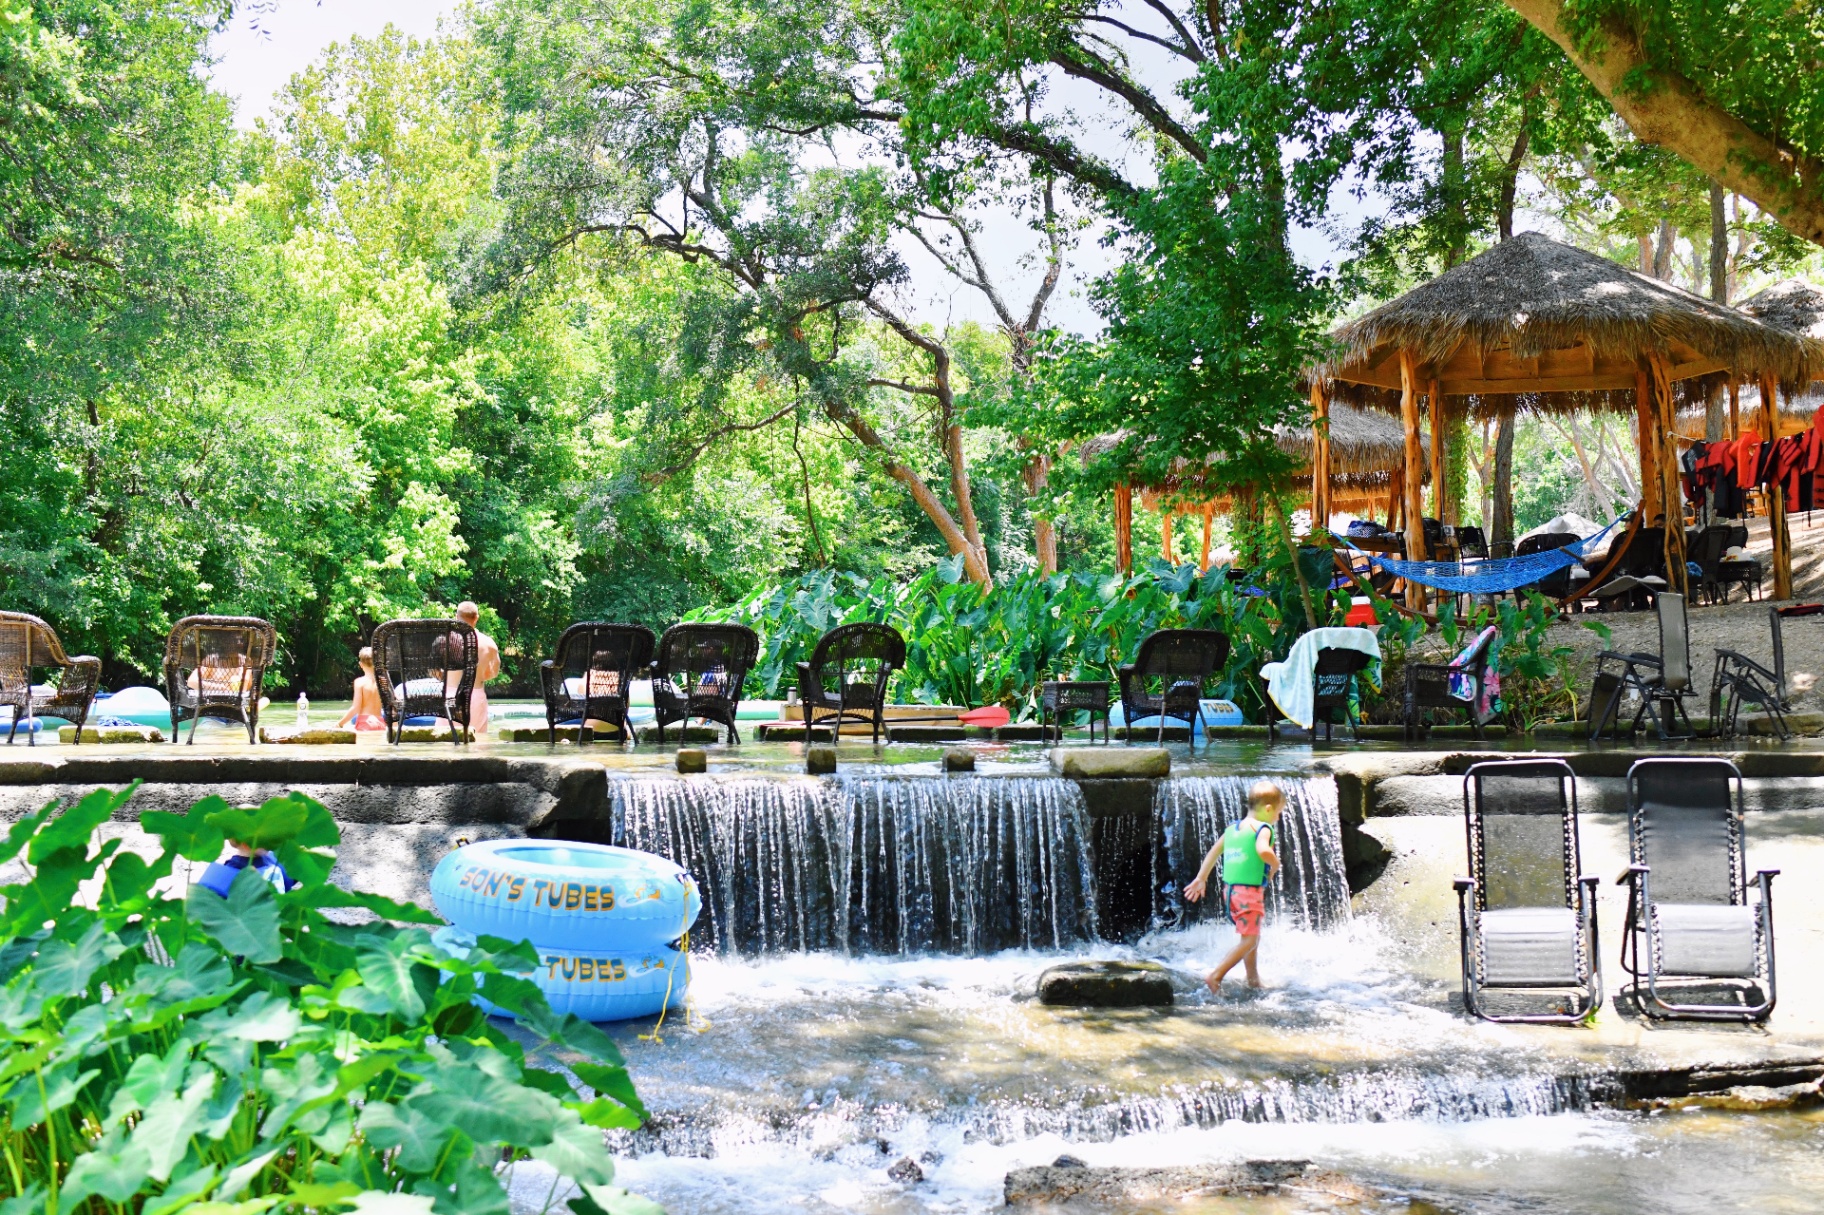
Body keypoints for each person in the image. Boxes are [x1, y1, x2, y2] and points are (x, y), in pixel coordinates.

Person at [1183, 780, 1282, 994]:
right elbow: (1263, 850)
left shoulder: (1233, 829)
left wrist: (1201, 878)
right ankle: (1216, 975)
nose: (1278, 818)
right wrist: (1275, 863)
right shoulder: (1263, 829)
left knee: (1250, 936)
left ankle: (1253, 978)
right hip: (1249, 893)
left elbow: (1213, 852)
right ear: (1268, 809)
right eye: (1278, 813)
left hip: (1231, 893)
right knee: (1251, 939)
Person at [456, 601, 501, 735]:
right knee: (478, 743)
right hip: (475, 696)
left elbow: (435, 671)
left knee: (444, 742)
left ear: (456, 617)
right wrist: (480, 675)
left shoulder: (444, 640)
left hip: (448, 697)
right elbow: (494, 673)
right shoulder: (489, 644)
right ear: (476, 618)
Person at [336, 646, 386, 732]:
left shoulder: (359, 682)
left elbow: (356, 708)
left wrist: (340, 724)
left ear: (361, 664)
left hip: (365, 722)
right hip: (380, 722)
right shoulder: (383, 681)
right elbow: (391, 706)